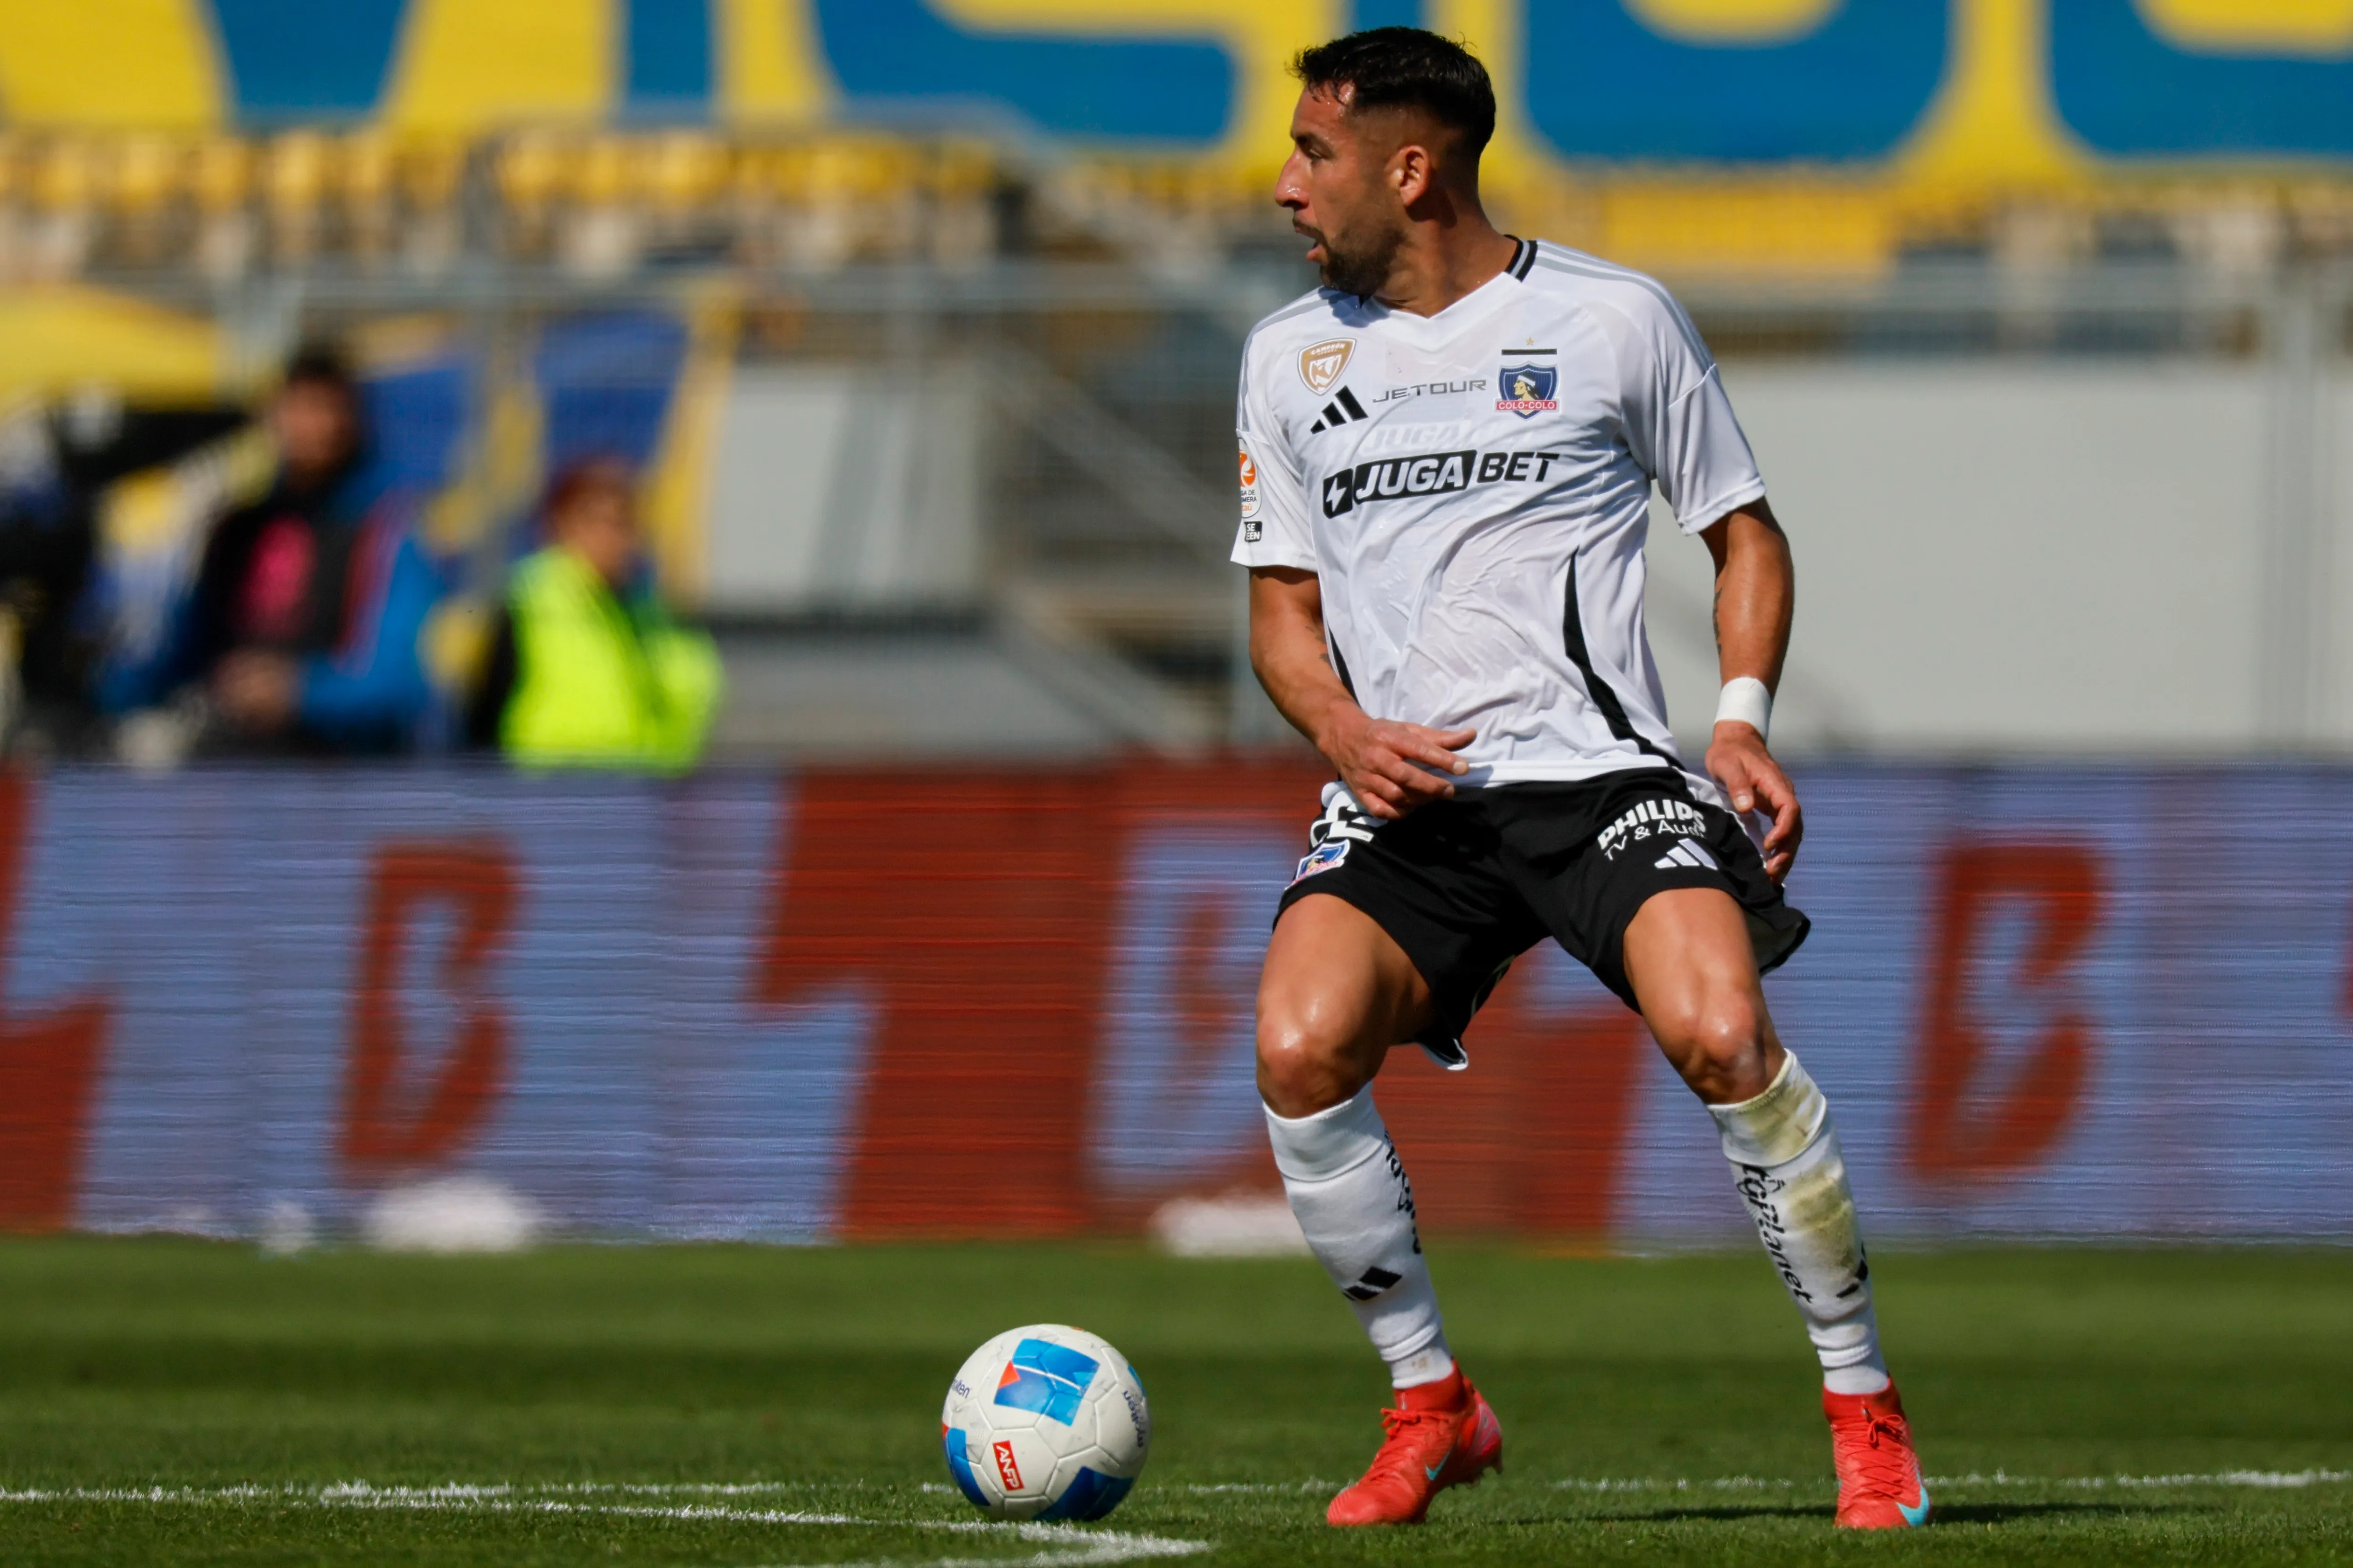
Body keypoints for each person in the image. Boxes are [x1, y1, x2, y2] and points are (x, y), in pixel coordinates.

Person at [1234, 29, 1928, 1531]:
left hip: (1598, 777)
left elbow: (1742, 532)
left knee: (1723, 1030)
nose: (1285, 185)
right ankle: (1431, 1399)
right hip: (1407, 795)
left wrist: (1737, 718)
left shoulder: (1614, 321)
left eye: (1314, 155)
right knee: (1297, 1046)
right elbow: (1279, 614)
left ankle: (1864, 1407)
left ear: (1410, 171)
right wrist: (1343, 736)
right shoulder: (1286, 359)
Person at [97, 345, 442, 756]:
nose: (313, 427)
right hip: (233, 773)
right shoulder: (235, 529)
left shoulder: (385, 533)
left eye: (327, 409)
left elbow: (404, 683)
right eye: (299, 408)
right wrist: (112, 687)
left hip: (340, 778)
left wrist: (300, 692)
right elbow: (182, 653)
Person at [466, 457, 720, 773]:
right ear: (561, 525)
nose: (610, 537)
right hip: (550, 798)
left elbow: (693, 699)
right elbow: (483, 717)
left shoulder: (653, 614)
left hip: (642, 796)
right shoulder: (528, 602)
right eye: (595, 521)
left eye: (622, 522)